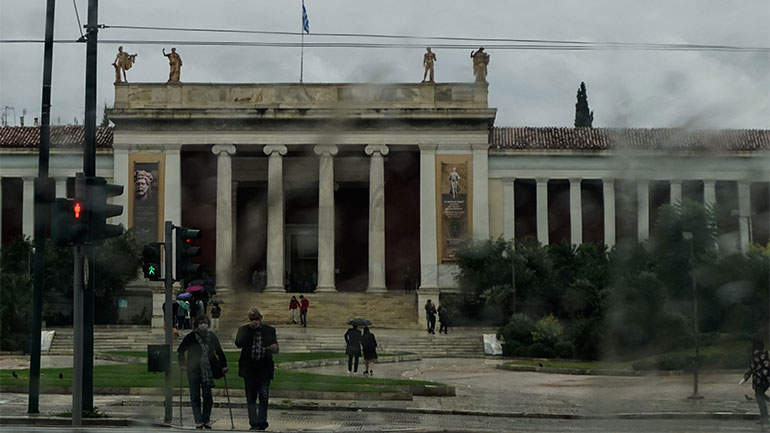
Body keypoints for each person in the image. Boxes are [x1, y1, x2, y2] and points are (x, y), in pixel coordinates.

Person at [177, 314, 227, 430]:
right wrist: (183, 364)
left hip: (207, 370)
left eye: (205, 322)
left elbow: (219, 351)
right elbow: (181, 351)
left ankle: (206, 419)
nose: (203, 325)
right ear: (197, 325)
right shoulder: (191, 337)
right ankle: (198, 420)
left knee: (207, 396)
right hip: (193, 370)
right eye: (201, 323)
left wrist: (224, 366)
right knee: (195, 396)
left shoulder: (212, 336)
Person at [235, 307, 279, 431]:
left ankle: (262, 421)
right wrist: (250, 330)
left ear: (261, 318)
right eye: (252, 319)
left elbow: (276, 348)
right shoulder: (243, 330)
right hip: (249, 369)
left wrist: (274, 348)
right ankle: (253, 422)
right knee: (251, 396)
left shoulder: (269, 330)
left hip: (264, 368)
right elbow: (238, 343)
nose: (254, 321)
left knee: (264, 395)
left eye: (256, 319)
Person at [742, 339, 770, 423]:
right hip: (768, 379)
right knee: (760, 394)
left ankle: (764, 416)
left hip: (759, 380)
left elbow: (751, 367)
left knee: (759, 396)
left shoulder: (754, 355)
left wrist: (746, 377)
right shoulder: (768, 353)